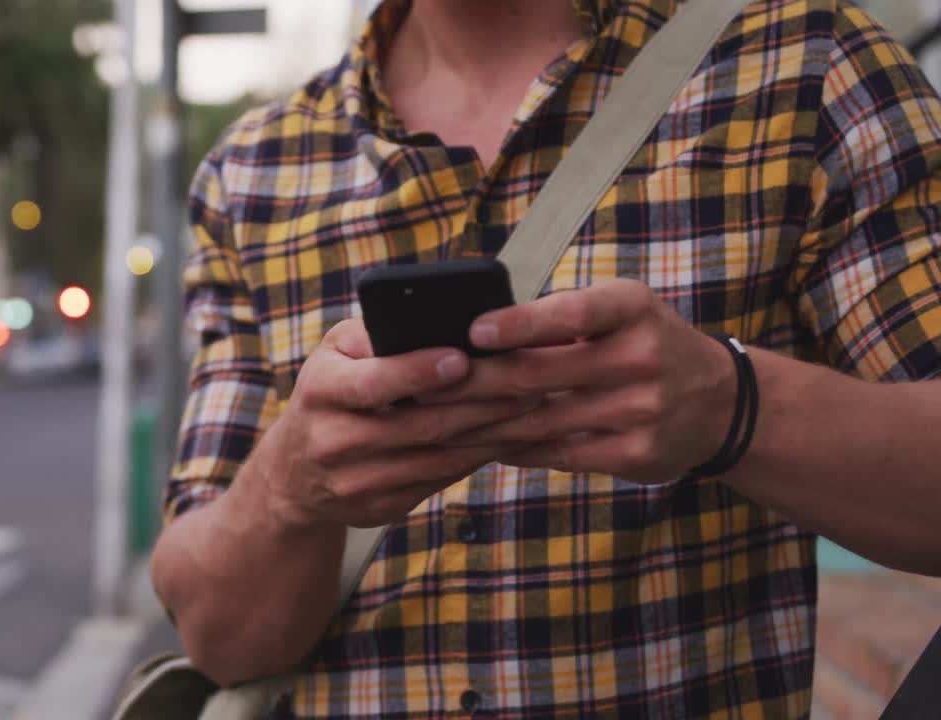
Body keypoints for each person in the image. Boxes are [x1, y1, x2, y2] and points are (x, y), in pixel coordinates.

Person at [151, 0, 941, 716]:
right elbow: (219, 640)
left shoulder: (809, 68)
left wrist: (729, 406)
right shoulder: (252, 172)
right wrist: (290, 489)